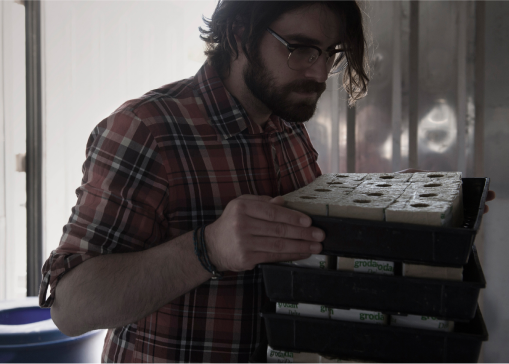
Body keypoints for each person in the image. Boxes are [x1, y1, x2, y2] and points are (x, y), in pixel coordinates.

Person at [39, 1, 370, 363]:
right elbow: (70, 307)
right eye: (301, 49)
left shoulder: (286, 123)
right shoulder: (146, 129)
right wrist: (208, 248)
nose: (320, 73)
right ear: (239, 34)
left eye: (329, 53)